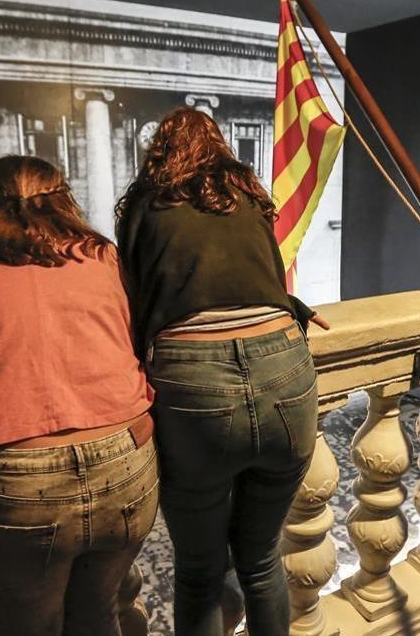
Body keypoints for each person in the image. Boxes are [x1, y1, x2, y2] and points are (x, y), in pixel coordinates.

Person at [0, 155, 158, 636]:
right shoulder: (102, 256)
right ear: (64, 199)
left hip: (18, 479)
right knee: (98, 615)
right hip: (125, 462)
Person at [115, 106, 328, 636]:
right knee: (260, 560)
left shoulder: (146, 203)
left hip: (194, 382)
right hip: (283, 364)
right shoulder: (248, 195)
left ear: (159, 148)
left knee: (199, 572)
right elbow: (267, 283)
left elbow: (136, 302)